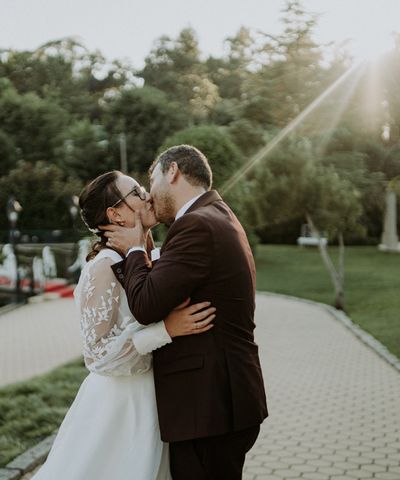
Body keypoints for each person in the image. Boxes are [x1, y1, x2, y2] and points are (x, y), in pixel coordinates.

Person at [32, 170, 216, 480]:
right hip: (121, 408)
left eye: (143, 188)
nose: (147, 196)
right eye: (136, 192)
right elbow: (97, 355)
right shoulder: (104, 266)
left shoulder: (145, 256)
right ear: (115, 214)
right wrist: (166, 330)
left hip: (156, 398)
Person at [102, 145, 268, 480]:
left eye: (151, 180)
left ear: (172, 171)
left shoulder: (195, 225)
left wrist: (134, 246)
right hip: (221, 403)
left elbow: (146, 305)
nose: (149, 195)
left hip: (209, 408)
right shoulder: (216, 215)